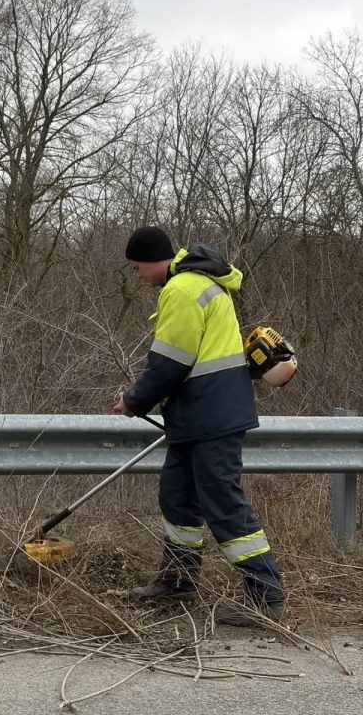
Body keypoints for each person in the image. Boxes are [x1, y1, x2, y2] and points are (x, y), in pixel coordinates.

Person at [114, 225, 285, 624]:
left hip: (211, 414)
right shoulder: (196, 283)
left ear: (153, 260)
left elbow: (171, 361)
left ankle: (266, 597)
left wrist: (133, 400)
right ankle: (177, 581)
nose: (138, 276)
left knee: (221, 503)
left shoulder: (183, 289)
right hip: (199, 414)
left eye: (137, 267)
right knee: (177, 498)